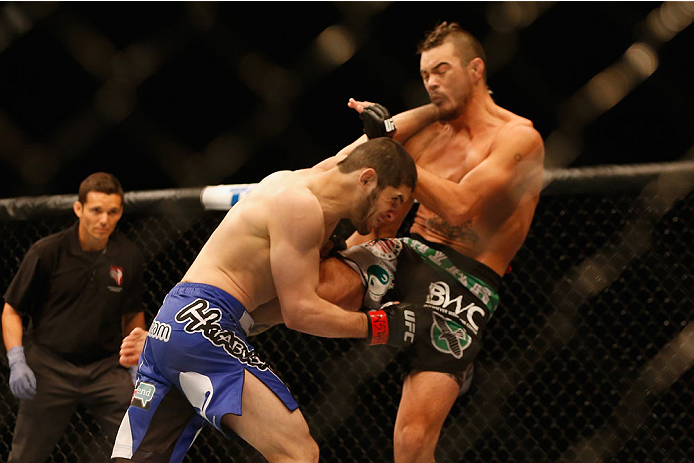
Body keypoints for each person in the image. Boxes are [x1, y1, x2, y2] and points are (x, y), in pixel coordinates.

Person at [111, 137, 434, 463]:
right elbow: (301, 311)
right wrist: (379, 324)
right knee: (298, 453)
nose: (394, 214)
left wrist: (401, 122)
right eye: (395, 199)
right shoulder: (300, 207)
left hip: (175, 323)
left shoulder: (295, 184)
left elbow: (353, 154)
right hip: (206, 326)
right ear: (366, 179)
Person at [2, 172, 146, 463]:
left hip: (106, 368)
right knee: (26, 456)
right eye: (96, 210)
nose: (104, 219)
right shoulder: (47, 252)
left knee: (140, 444)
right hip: (50, 366)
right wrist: (17, 359)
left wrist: (137, 363)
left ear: (120, 213)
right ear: (78, 209)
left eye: (112, 212)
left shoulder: (128, 255)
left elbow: (133, 315)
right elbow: (11, 309)